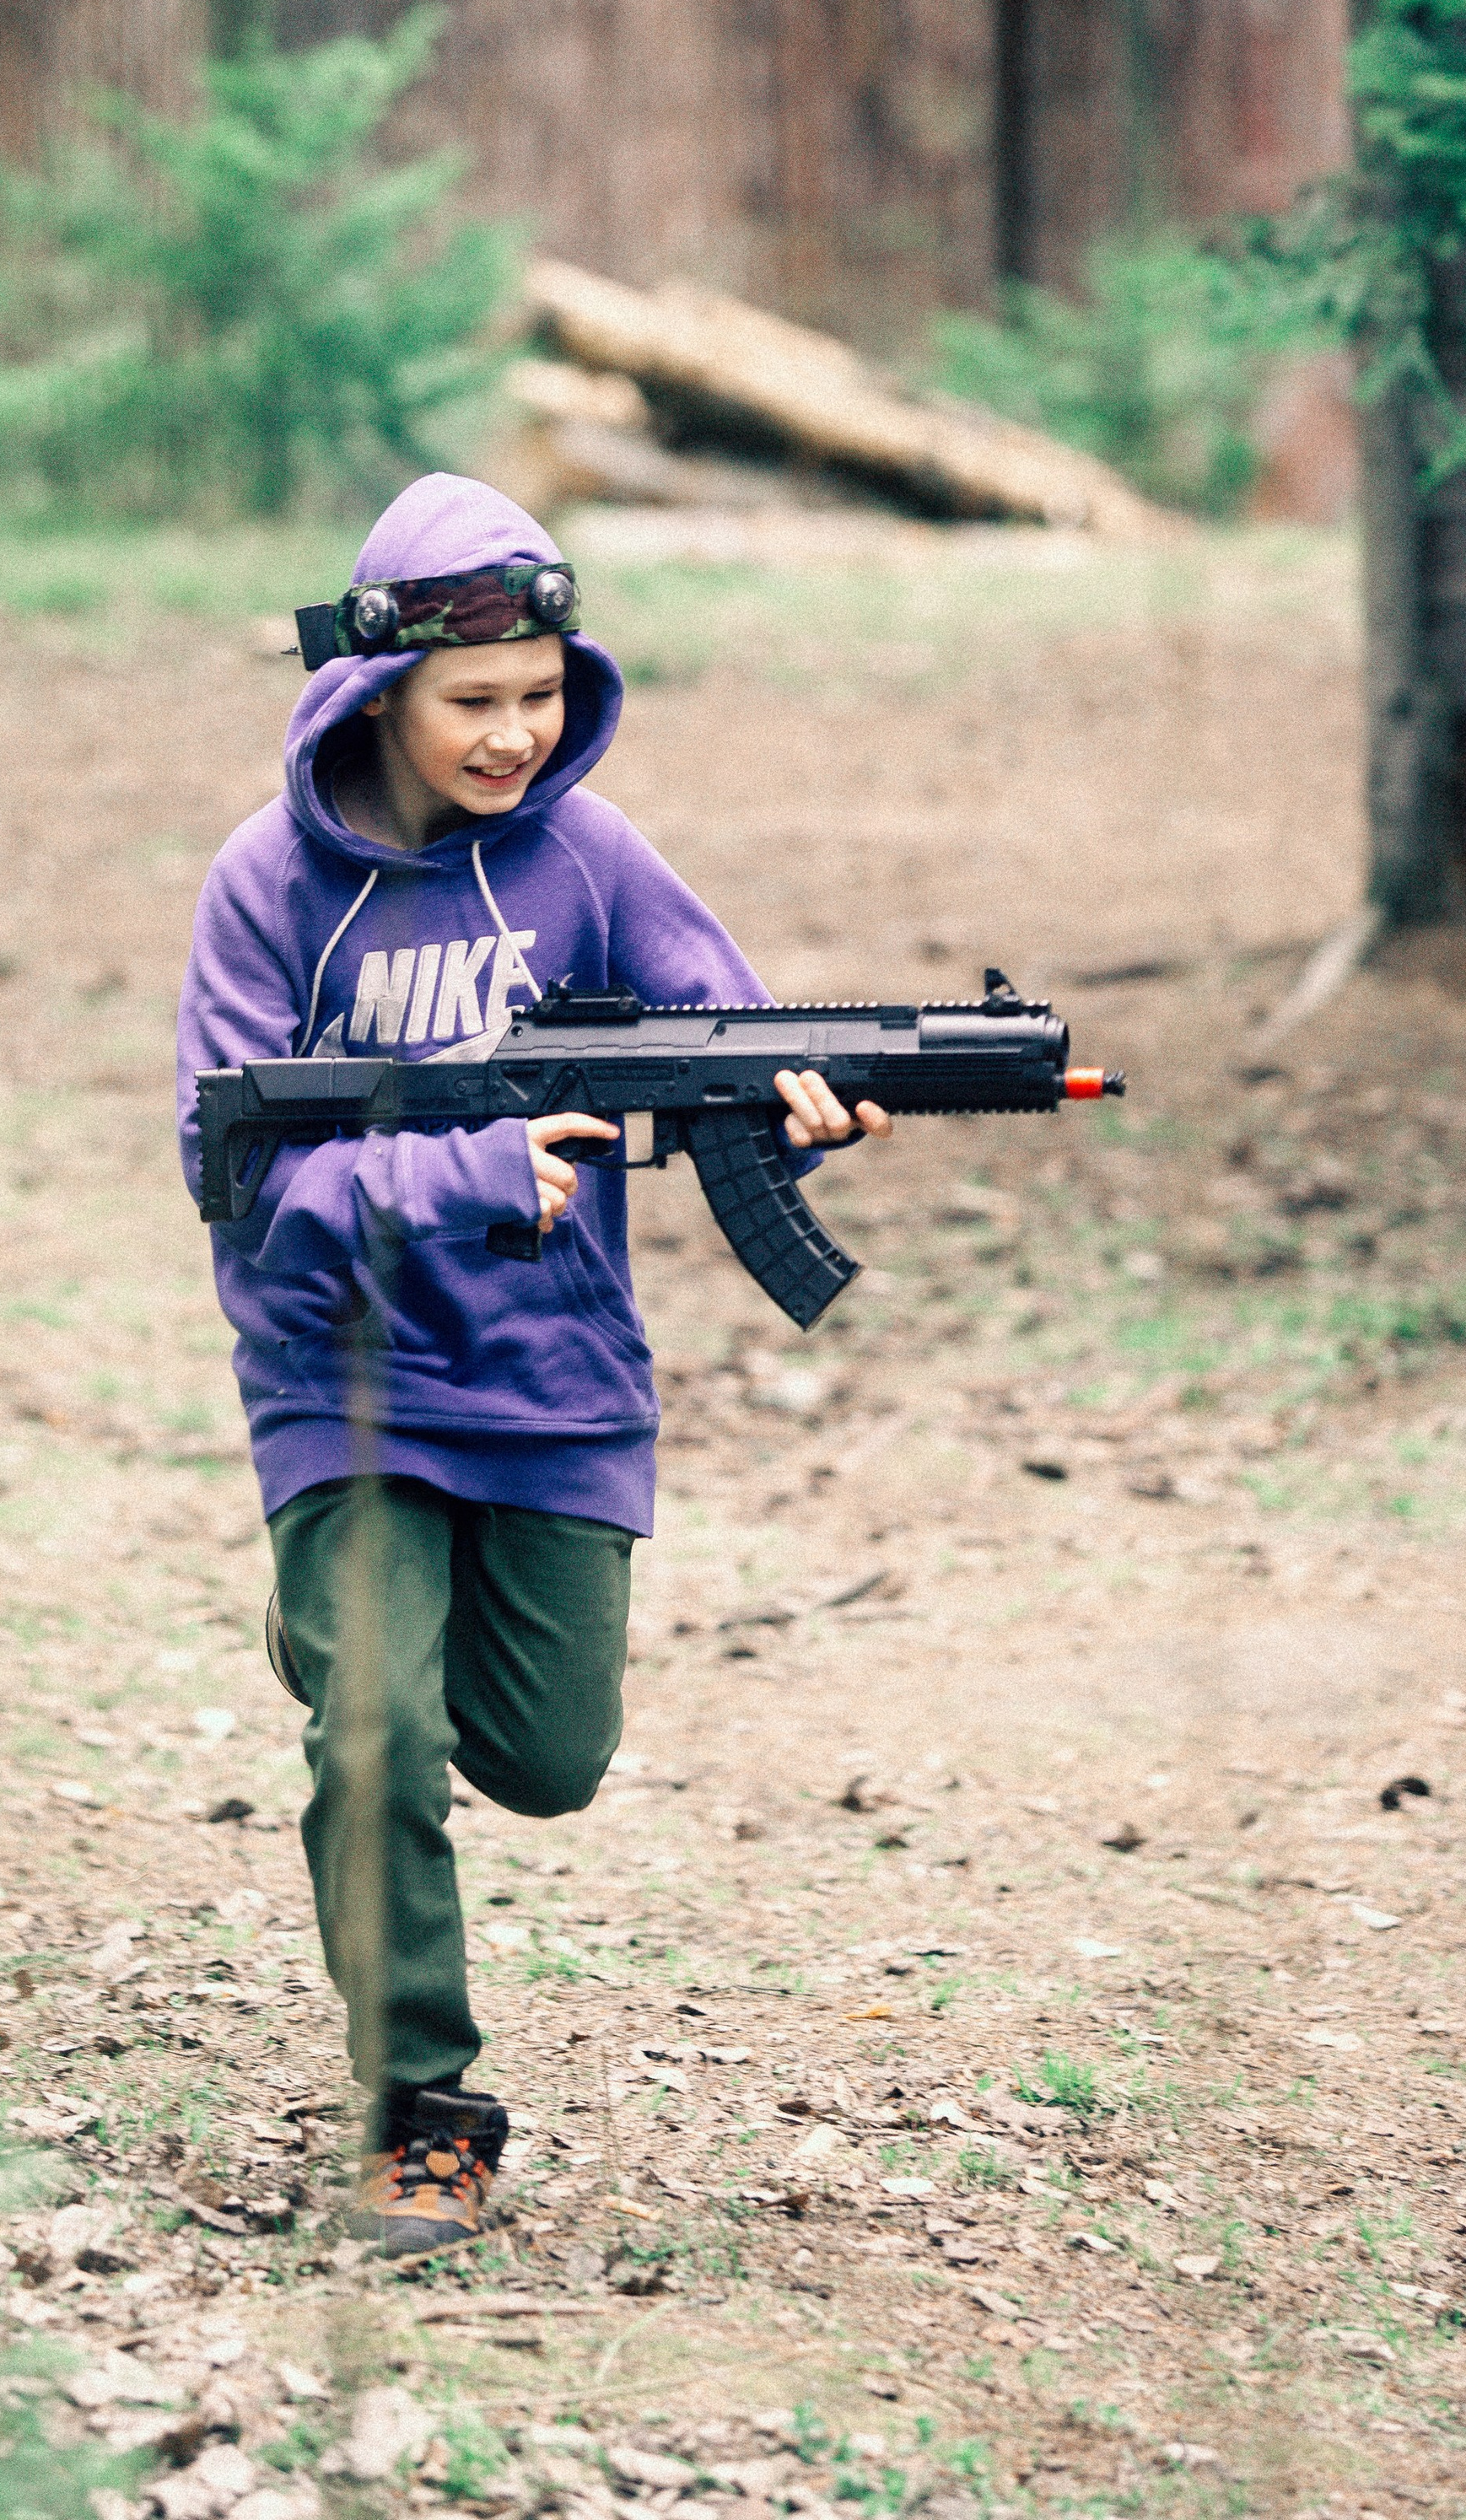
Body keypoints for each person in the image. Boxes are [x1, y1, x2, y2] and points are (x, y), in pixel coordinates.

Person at [176, 475, 887, 2253]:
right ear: (376, 695)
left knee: (552, 1755)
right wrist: (468, 1171)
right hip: (343, 1379)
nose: (515, 735)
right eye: (473, 700)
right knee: (378, 1734)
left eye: (543, 694)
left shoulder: (591, 857)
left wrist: (803, 1108)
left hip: (552, 1378)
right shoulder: (267, 887)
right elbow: (244, 1184)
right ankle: (420, 2107)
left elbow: (731, 1037)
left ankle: (343, 1634)